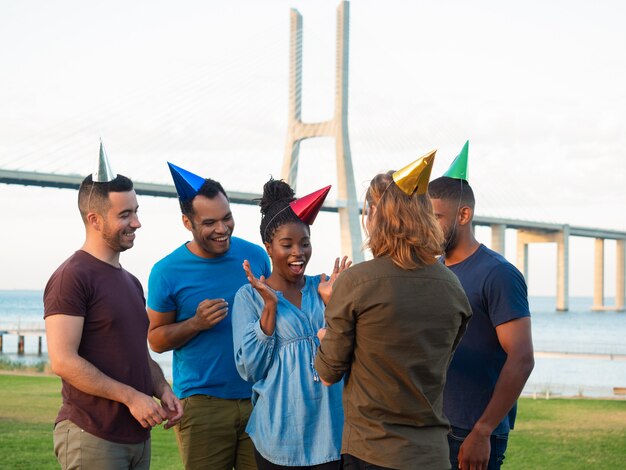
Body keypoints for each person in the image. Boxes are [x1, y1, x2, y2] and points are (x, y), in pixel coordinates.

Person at [315, 151, 472, 470]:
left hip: (372, 453)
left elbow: (327, 372)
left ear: (376, 215)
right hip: (431, 455)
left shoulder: (357, 282)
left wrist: (328, 321)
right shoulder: (452, 286)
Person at [44, 143, 182, 470]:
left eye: (136, 211)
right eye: (125, 214)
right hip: (92, 435)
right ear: (94, 219)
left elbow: (136, 353)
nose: (136, 223)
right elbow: (63, 361)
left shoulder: (131, 282)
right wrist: (132, 397)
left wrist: (162, 389)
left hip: (135, 437)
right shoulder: (71, 277)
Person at [147, 162, 271, 470]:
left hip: (259, 399)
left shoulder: (256, 256)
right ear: (187, 222)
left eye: (227, 217)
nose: (222, 228)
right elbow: (156, 340)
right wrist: (195, 323)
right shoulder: (166, 272)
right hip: (202, 405)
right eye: (210, 222)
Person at [428, 142, 535, 470]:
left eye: (435, 218)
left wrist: (483, 430)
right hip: (433, 426)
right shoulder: (433, 270)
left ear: (464, 215)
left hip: (471, 431)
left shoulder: (498, 274)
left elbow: (522, 358)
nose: (427, 227)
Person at [231, 178, 347, 469]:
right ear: (268, 247)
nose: (299, 252)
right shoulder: (250, 297)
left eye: (305, 243)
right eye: (287, 244)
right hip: (279, 440)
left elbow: (346, 355)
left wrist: (334, 305)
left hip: (332, 435)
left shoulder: (323, 288)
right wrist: (270, 307)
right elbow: (251, 370)